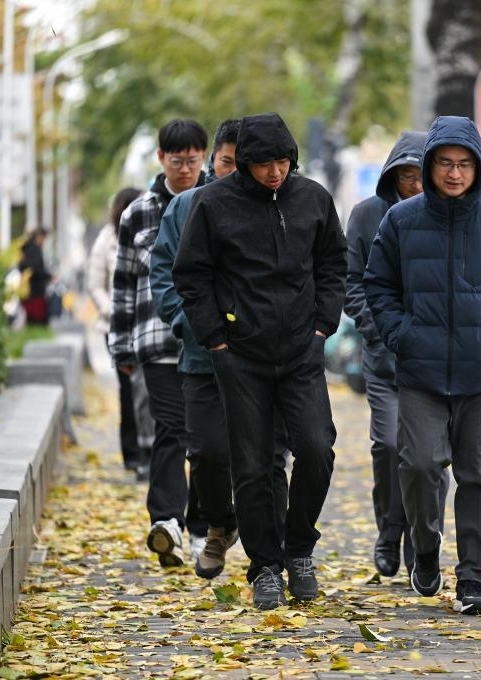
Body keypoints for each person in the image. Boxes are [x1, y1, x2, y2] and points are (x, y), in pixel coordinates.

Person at [173, 112, 347, 610]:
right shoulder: (213, 203)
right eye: (265, 163)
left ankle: (298, 550)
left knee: (317, 449)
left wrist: (321, 327)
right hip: (240, 355)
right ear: (245, 163)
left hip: (301, 351)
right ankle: (265, 567)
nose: (275, 172)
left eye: (283, 161)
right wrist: (216, 341)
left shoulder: (313, 198)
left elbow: (334, 262)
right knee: (250, 467)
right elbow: (192, 274)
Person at [363, 116, 481, 616]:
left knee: (478, 476)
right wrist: (401, 335)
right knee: (421, 465)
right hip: (421, 371)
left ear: (478, 166)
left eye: (464, 163)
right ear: (429, 166)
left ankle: (473, 578)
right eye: (445, 163)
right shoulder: (402, 220)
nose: (454, 173)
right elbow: (377, 284)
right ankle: (425, 550)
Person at [151, 119, 291, 580]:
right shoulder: (190, 206)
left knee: (267, 458)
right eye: (227, 161)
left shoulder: (279, 205)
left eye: (243, 163)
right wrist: (192, 325)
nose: (235, 171)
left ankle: (271, 553)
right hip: (202, 356)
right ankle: (220, 522)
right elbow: (167, 275)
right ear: (214, 161)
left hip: (263, 359)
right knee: (208, 452)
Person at [344, 130, 449, 581]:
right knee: (389, 447)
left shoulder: (448, 216)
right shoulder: (367, 216)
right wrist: (380, 329)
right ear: (393, 176)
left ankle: (424, 543)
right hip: (386, 360)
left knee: (429, 459)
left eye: (420, 176)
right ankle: (390, 528)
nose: (414, 185)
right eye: (406, 176)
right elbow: (352, 282)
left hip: (436, 364)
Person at [108, 119, 210, 567]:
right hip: (157, 341)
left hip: (209, 343)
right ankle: (167, 520)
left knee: (206, 439)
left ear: (203, 157)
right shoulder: (139, 213)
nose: (185, 168)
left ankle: (204, 525)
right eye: (177, 160)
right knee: (170, 429)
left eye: (192, 159)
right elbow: (124, 282)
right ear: (161, 159)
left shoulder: (216, 204)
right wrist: (122, 345)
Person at [86, 187, 154, 478]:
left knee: (149, 390)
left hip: (147, 323)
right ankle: (133, 452)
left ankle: (152, 450)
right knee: (128, 390)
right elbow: (95, 285)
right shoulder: (106, 240)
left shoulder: (149, 233)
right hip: (115, 325)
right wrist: (112, 308)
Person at [17, 228, 53, 325]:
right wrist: (48, 276)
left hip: (28, 289)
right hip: (35, 290)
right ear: (39, 237)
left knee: (31, 318)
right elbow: (36, 269)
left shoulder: (26, 249)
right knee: (37, 319)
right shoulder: (34, 250)